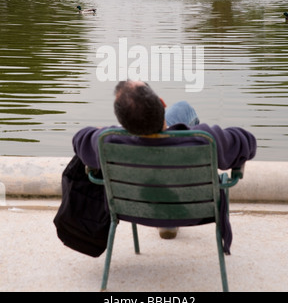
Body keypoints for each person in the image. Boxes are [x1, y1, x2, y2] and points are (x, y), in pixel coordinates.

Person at [72, 80, 257, 245]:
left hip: (133, 212)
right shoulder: (205, 139)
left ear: (122, 123)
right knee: (184, 108)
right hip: (198, 212)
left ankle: (165, 216)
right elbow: (248, 142)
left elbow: (79, 139)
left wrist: (109, 131)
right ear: (162, 103)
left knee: (180, 110)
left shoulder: (108, 141)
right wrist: (187, 134)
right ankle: (168, 138)